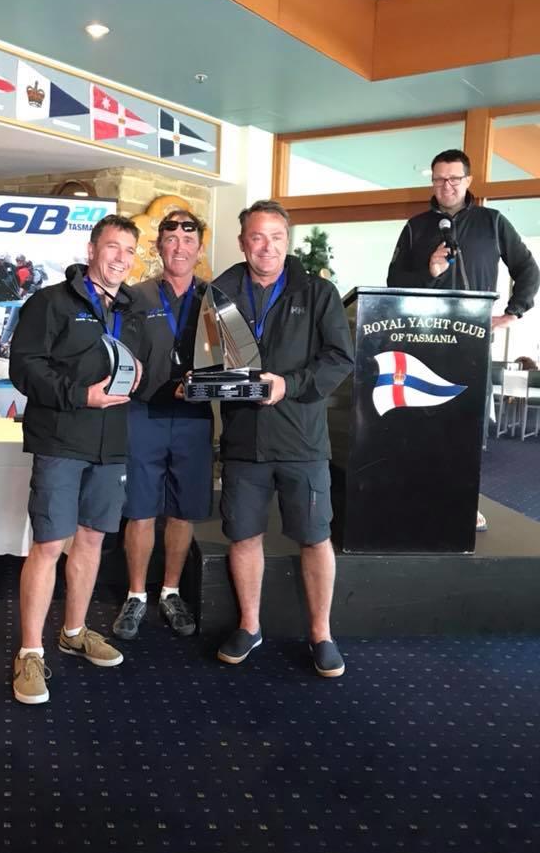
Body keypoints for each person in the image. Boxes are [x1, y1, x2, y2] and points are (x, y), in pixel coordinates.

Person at [212, 200, 354, 675]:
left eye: (275, 236)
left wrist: (288, 385)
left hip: (301, 440)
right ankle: (250, 626)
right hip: (243, 440)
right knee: (244, 535)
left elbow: (339, 359)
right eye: (256, 237)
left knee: (315, 537)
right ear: (242, 242)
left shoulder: (317, 292)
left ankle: (321, 633)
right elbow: (210, 357)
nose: (266, 246)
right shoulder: (221, 292)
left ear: (287, 240)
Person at [8, 215, 143, 704]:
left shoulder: (133, 307)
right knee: (48, 545)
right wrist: (78, 396)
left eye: (130, 250)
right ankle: (29, 652)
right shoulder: (50, 302)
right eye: (113, 247)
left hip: (112, 447)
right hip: (62, 439)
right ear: (91, 250)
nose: (121, 258)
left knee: (91, 540)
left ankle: (73, 631)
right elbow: (24, 366)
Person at [387, 148, 540, 529]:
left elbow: (527, 268)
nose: (447, 186)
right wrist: (430, 270)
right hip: (423, 339)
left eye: (454, 178)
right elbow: (393, 282)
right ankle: (419, 494)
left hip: (472, 339)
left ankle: (465, 499)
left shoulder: (492, 222)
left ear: (468, 181)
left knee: (468, 426)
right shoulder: (415, 227)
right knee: (422, 421)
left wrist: (513, 312)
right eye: (439, 179)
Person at [112, 210, 213, 641]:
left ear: (199, 248)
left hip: (194, 418)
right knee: (139, 508)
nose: (179, 248)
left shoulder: (216, 298)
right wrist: (159, 388)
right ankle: (136, 594)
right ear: (159, 248)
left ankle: (170, 591)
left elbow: (231, 358)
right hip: (144, 414)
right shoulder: (135, 298)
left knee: (182, 509)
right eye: (170, 240)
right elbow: (122, 359)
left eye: (187, 241)